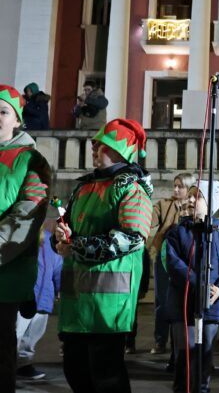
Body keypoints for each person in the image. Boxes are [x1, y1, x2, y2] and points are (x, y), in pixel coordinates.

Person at [53, 118, 152, 393]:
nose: (94, 149)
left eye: (101, 145)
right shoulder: (82, 187)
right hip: (77, 303)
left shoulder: (131, 188)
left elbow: (133, 239)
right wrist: (59, 238)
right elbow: (68, 230)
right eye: (93, 144)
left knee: (107, 377)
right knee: (75, 371)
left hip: (109, 307)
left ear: (122, 151)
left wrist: (78, 245)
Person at [0, 84, 51, 392]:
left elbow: (25, 217)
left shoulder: (32, 161)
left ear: (18, 120)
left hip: (6, 277)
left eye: (3, 111)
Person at [164, 180, 219, 393]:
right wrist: (199, 284)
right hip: (183, 305)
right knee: (186, 355)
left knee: (204, 357)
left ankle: (203, 388)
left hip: (211, 307)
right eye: (190, 195)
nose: (191, 199)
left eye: (198, 196)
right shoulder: (177, 232)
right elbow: (174, 264)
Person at [150, 172, 196, 356]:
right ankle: (160, 340)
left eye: (181, 186)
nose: (176, 189)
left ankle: (177, 342)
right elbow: (151, 219)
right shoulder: (163, 204)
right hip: (163, 258)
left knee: (180, 300)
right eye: (174, 185)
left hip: (185, 260)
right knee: (161, 301)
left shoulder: (194, 206)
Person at [16, 224, 62, 381]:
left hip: (43, 297)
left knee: (33, 335)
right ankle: (8, 366)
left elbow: (57, 266)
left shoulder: (49, 239)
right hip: (24, 296)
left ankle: (23, 364)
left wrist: (59, 286)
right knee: (15, 333)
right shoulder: (21, 237)